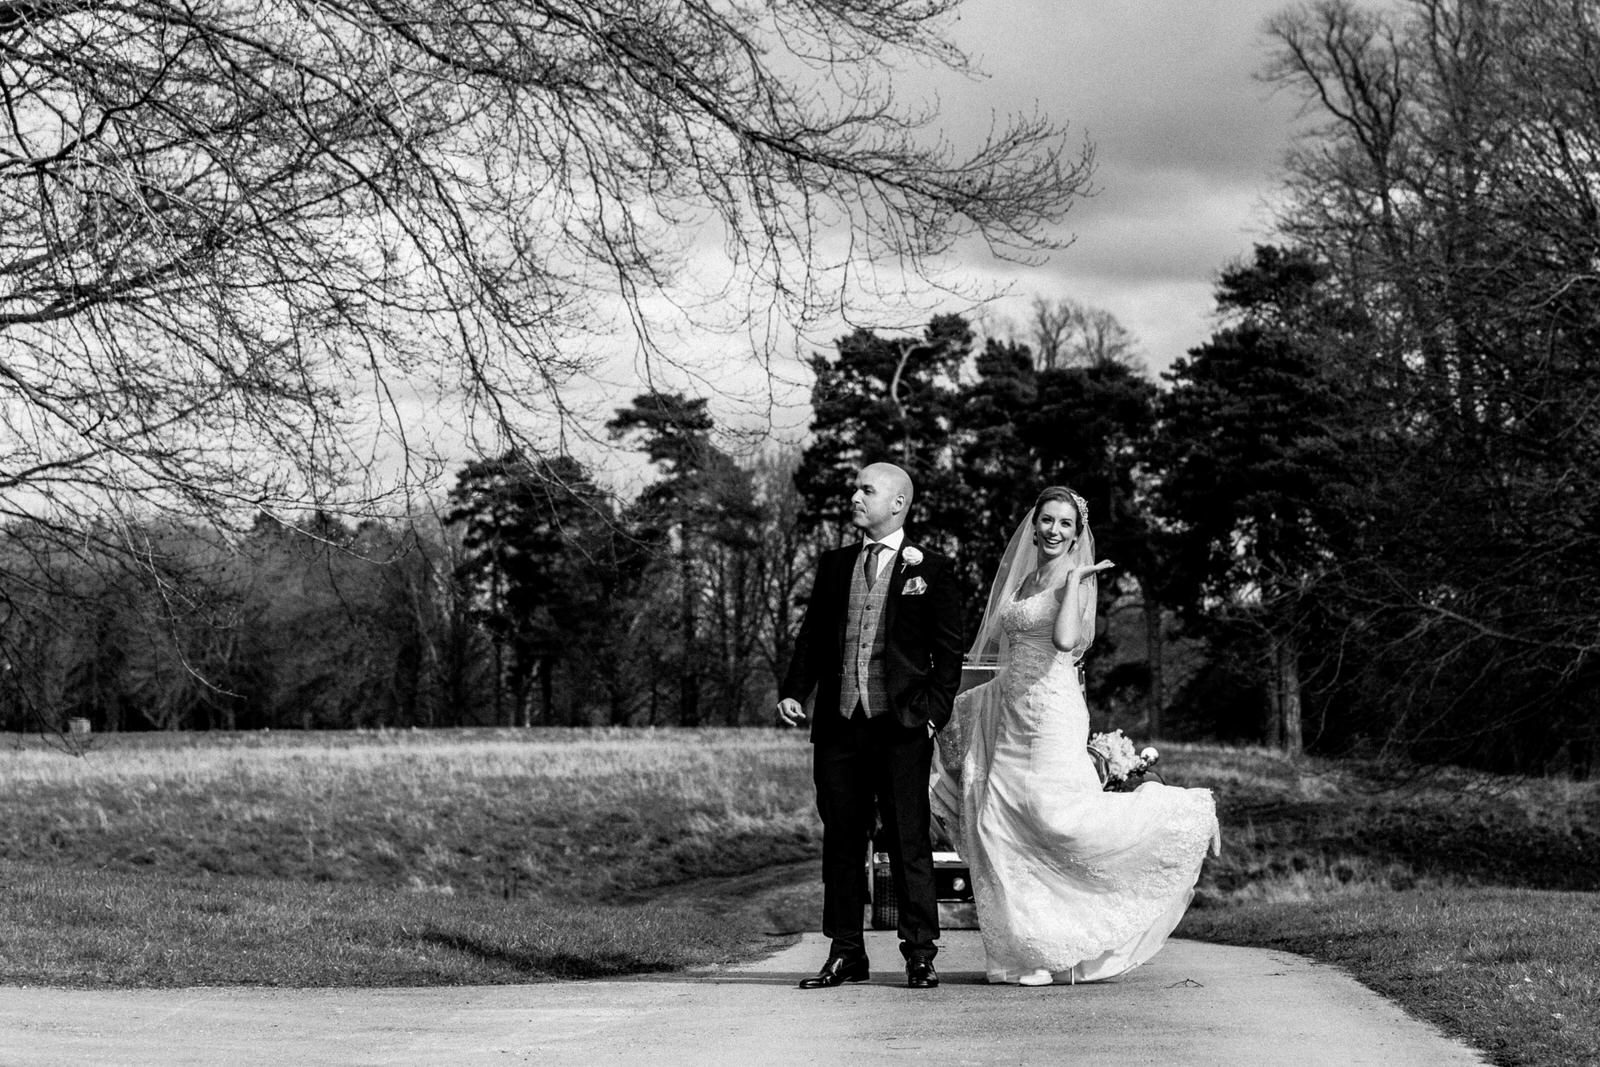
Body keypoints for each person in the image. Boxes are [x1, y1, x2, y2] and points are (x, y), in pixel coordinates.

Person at [945, 486, 1219, 986]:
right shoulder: (1024, 579)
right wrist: (970, 701)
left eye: (1065, 524)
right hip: (1012, 713)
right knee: (997, 824)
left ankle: (1182, 814)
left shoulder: (1080, 579)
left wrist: (1073, 583)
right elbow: (1011, 650)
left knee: (1056, 819)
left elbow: (1065, 640)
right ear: (1034, 526)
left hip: (1052, 713)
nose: (1054, 530)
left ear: (1077, 534)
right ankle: (1028, 952)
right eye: (1047, 520)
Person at [776, 462, 964, 990]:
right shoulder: (835, 564)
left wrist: (931, 716)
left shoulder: (933, 569)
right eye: (855, 489)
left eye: (866, 490)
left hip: (902, 726)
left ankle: (920, 953)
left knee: (908, 840)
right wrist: (793, 691)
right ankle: (845, 952)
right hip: (839, 726)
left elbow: (948, 654)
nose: (855, 498)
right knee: (841, 840)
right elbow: (812, 637)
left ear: (898, 503)